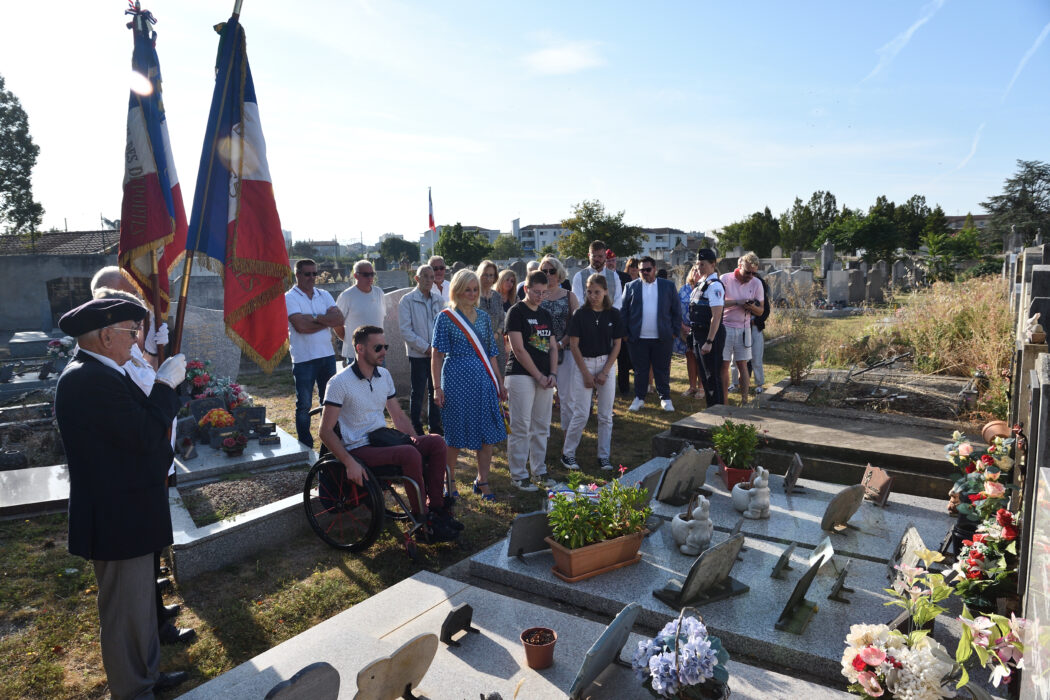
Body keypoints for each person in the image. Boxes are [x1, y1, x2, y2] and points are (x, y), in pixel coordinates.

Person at [54, 298, 189, 698]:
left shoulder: (107, 371)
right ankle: (132, 690)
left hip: (131, 509)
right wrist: (164, 385)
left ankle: (146, 675)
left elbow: (142, 431)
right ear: (105, 335)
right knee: (124, 612)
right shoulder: (88, 379)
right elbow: (145, 434)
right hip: (117, 516)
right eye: (131, 331)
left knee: (142, 606)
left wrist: (159, 385)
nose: (136, 340)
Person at [89, 268, 192, 646]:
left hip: (154, 456)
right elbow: (139, 398)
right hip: (137, 463)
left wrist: (149, 351)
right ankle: (154, 623)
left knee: (151, 545)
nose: (133, 307)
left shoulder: (127, 345)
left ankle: (155, 608)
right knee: (140, 548)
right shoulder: (103, 356)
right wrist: (157, 370)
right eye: (120, 298)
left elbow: (143, 380)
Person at [320, 326, 459, 542]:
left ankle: (438, 509)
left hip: (382, 439)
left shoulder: (383, 375)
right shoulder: (339, 383)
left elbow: (398, 416)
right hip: (359, 447)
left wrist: (416, 441)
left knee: (436, 442)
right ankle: (421, 518)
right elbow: (325, 431)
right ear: (360, 348)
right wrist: (349, 463)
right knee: (409, 454)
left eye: (385, 346)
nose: (384, 351)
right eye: (378, 347)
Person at [431, 269, 508, 500]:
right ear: (456, 290)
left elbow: (492, 353)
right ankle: (449, 480)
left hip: (483, 381)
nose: (472, 293)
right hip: (455, 381)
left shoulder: (484, 317)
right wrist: (437, 387)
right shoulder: (445, 317)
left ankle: (482, 480)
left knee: (486, 432)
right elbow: (436, 355)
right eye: (468, 289)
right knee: (454, 434)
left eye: (475, 289)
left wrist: (499, 383)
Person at [562, 274, 624, 471]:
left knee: (605, 415)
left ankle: (603, 456)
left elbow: (617, 345)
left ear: (605, 291)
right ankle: (568, 454)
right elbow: (573, 345)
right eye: (589, 292)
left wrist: (605, 371)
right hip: (584, 364)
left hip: (605, 363)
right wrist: (586, 374)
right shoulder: (580, 314)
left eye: (597, 292)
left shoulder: (613, 314)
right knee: (581, 413)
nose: (593, 296)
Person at [505, 270, 558, 491]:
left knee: (541, 426)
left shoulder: (545, 315)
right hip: (521, 375)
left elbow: (553, 346)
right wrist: (538, 375)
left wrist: (552, 375)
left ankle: (539, 469)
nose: (540, 296)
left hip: (545, 377)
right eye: (536, 292)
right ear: (526, 289)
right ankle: (518, 474)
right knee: (521, 426)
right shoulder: (516, 312)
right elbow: (518, 348)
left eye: (544, 293)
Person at [286, 259, 344, 447]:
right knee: (304, 404)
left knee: (329, 402)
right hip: (304, 358)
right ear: (297, 275)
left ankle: (329, 442)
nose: (311, 277)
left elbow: (339, 319)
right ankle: (305, 444)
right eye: (307, 274)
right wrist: (325, 320)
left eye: (314, 274)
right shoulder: (289, 297)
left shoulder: (324, 294)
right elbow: (300, 326)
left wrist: (314, 318)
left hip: (327, 356)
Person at [621, 256, 682, 412]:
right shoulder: (630, 286)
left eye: (648, 270)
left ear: (654, 269)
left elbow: (676, 311)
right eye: (641, 270)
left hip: (662, 337)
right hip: (637, 338)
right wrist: (625, 334)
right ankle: (639, 398)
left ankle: (665, 398)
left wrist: (674, 332)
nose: (644, 273)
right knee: (640, 371)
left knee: (662, 370)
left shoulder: (667, 286)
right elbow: (623, 312)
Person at [398, 264, 445, 436]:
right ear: (416, 278)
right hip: (418, 354)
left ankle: (435, 425)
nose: (429, 280)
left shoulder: (438, 300)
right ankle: (416, 426)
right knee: (417, 391)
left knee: (436, 389)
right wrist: (426, 348)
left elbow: (443, 326)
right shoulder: (407, 300)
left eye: (431, 277)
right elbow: (405, 330)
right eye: (424, 276)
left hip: (437, 355)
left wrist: (438, 348)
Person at [538, 256, 579, 434]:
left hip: (566, 351)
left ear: (559, 273)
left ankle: (568, 437)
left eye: (551, 271)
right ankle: (541, 435)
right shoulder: (536, 296)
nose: (548, 274)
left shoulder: (569, 296)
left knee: (567, 397)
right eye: (544, 271)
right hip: (540, 351)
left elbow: (576, 326)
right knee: (542, 396)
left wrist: (561, 344)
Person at [720, 252, 765, 405]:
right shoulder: (725, 279)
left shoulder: (756, 283)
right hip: (725, 326)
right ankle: (724, 400)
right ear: (739, 266)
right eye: (747, 272)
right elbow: (718, 303)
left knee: (743, 365)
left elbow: (761, 311)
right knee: (724, 365)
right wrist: (738, 302)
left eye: (754, 273)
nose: (750, 276)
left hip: (744, 328)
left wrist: (752, 307)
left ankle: (744, 400)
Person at [689, 249, 726, 407]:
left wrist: (709, 341)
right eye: (698, 264)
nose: (699, 267)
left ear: (713, 264)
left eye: (703, 264)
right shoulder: (701, 283)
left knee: (712, 377)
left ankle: (717, 411)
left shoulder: (715, 286)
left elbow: (716, 316)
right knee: (704, 377)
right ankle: (711, 409)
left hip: (709, 335)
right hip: (698, 334)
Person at [335, 260, 386, 364]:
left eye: (372, 274)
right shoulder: (346, 296)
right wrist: (350, 340)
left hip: (378, 352)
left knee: (379, 380)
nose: (370, 277)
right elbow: (336, 324)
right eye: (366, 274)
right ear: (355, 276)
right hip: (356, 355)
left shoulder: (379, 293)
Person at [730, 270, 771, 394]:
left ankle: (759, 384)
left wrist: (755, 320)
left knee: (756, 357)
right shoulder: (738, 290)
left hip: (754, 329)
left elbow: (765, 312)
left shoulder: (760, 292)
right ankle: (735, 383)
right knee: (735, 358)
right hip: (739, 327)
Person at [476, 260, 508, 375]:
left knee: (499, 376)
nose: (488, 278)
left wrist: (497, 333)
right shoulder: (473, 296)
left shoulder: (497, 296)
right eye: (485, 275)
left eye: (491, 275)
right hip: (480, 342)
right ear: (479, 274)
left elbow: (502, 318)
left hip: (497, 341)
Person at [676, 263, 703, 397]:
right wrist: (682, 326)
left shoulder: (705, 288)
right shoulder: (683, 289)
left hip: (700, 329)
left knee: (701, 358)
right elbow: (676, 309)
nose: (696, 273)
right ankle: (692, 387)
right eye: (694, 270)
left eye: (698, 271)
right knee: (690, 357)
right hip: (685, 330)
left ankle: (702, 388)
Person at [571, 240, 622, 310]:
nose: (596, 259)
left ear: (605, 256)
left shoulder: (614, 276)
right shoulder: (579, 276)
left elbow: (618, 300)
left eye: (600, 256)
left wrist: (608, 316)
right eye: (594, 256)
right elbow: (578, 300)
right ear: (589, 255)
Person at [616, 257, 639, 395]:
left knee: (637, 360)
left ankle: (639, 387)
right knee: (623, 360)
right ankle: (624, 388)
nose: (634, 269)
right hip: (623, 324)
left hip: (636, 326)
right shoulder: (621, 280)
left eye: (636, 266)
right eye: (632, 266)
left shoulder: (643, 283)